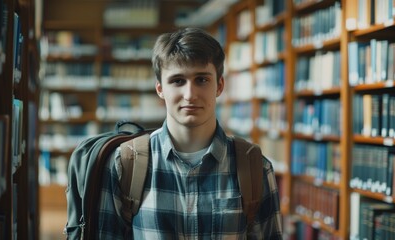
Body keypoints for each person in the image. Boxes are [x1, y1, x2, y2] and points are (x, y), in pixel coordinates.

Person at [97, 27, 283, 239]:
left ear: (219, 85)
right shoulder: (125, 164)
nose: (190, 94)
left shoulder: (255, 168)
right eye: (177, 81)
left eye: (201, 80)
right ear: (160, 89)